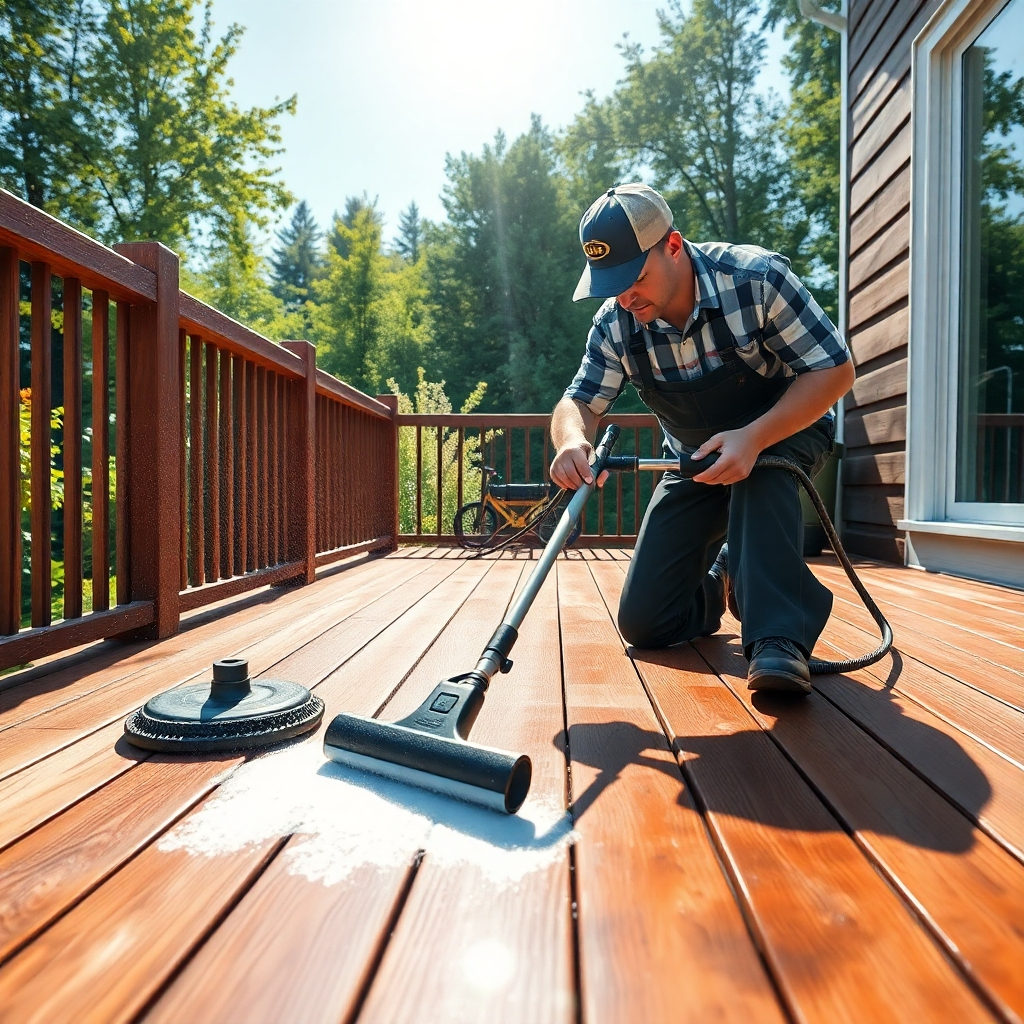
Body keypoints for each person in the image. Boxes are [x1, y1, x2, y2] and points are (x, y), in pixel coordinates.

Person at [549, 183, 855, 693]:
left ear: (673, 246)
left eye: (635, 278)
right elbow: (576, 401)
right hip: (691, 459)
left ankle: (779, 640)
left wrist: (754, 437)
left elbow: (835, 371)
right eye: (612, 283)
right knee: (645, 624)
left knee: (762, 473)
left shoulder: (757, 281)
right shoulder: (616, 324)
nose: (625, 296)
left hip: (787, 430)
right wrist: (570, 440)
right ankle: (724, 576)